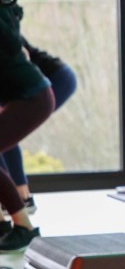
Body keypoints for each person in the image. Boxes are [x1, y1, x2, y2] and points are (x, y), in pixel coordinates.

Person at [0, 0, 52, 251]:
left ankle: (24, 228)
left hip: (33, 97)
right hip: (29, 95)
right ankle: (7, 224)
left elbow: (10, 47)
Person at [0, 39, 77, 217]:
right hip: (27, 87)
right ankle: (18, 198)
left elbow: (22, 55)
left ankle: (22, 197)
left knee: (7, 132)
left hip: (55, 79)